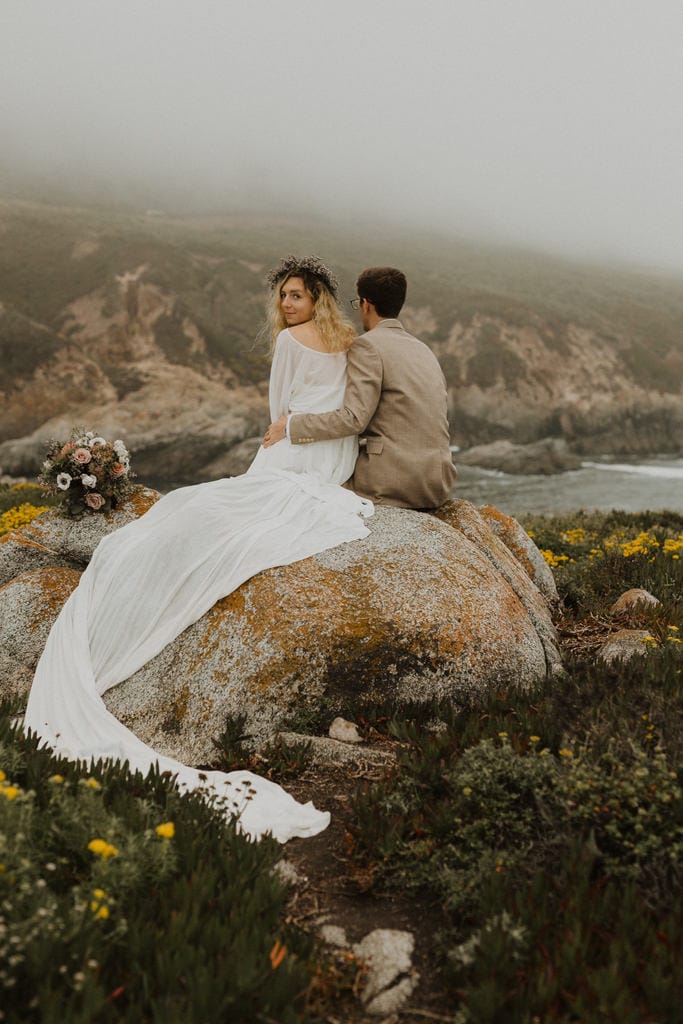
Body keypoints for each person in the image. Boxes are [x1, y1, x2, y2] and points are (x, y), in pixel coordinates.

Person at [24, 255, 373, 844]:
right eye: (283, 296)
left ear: (315, 296)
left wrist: (280, 436)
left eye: (294, 295)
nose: (286, 305)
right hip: (334, 456)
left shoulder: (291, 342)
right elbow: (348, 407)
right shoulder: (347, 339)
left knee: (200, 510)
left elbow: (277, 409)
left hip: (295, 443)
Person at [264, 266, 456, 509]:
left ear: (366, 304)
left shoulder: (367, 346)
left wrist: (291, 426)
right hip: (437, 482)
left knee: (300, 496)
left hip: (390, 481)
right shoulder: (423, 350)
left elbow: (354, 419)